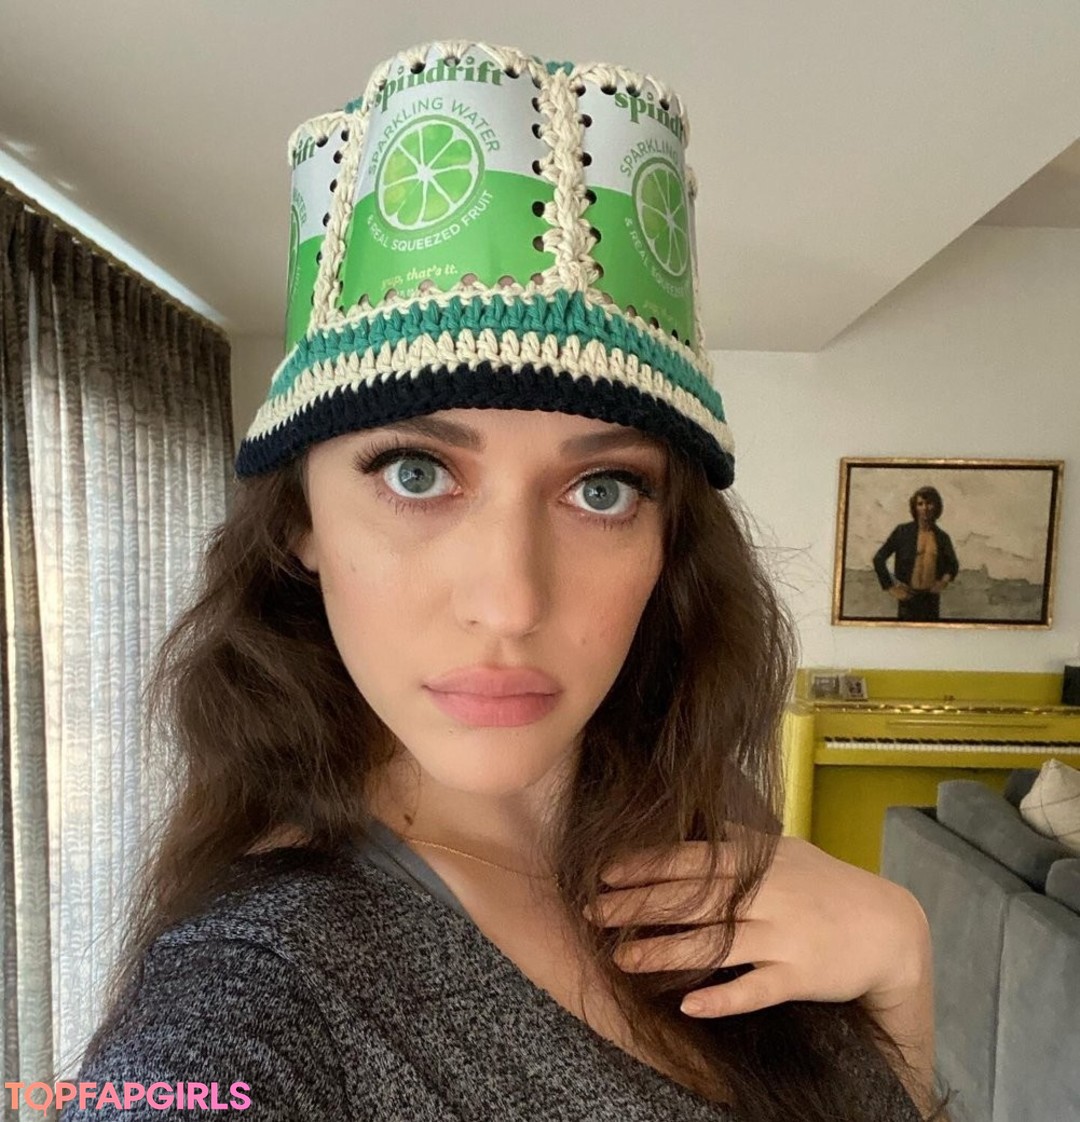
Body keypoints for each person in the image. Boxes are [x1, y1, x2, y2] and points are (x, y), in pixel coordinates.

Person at [61, 40, 953, 1122]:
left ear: (668, 540)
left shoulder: (706, 832)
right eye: (417, 472)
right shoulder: (251, 992)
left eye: (602, 491)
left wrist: (901, 972)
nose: (511, 602)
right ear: (300, 520)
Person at [873, 486, 960, 622]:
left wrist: (943, 581)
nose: (925, 508)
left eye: (929, 503)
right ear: (915, 507)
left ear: (936, 507)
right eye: (920, 504)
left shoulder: (942, 537)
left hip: (931, 599)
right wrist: (890, 587)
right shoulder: (902, 532)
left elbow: (953, 564)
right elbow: (878, 559)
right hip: (908, 597)